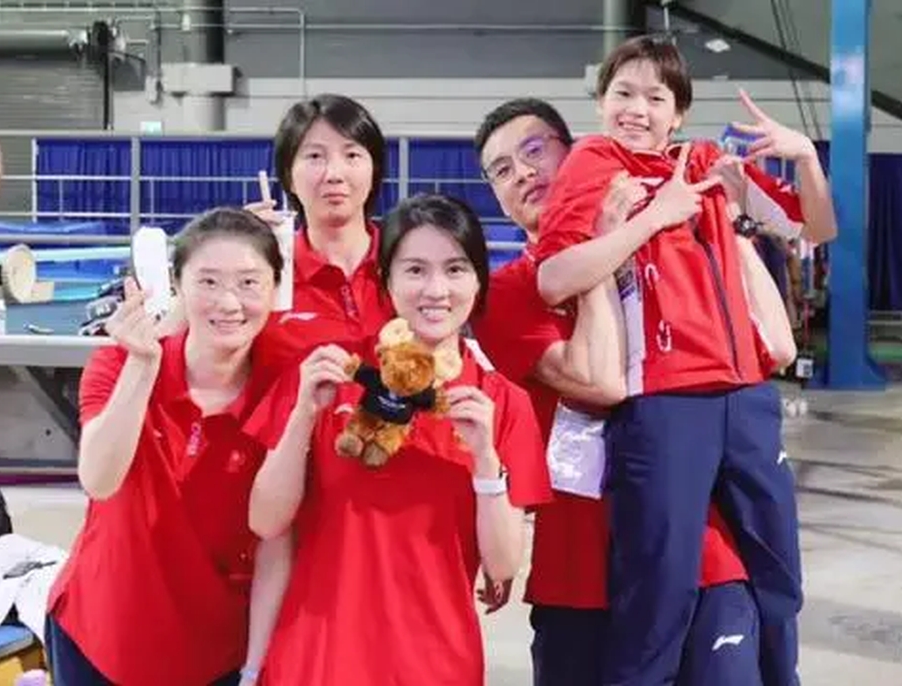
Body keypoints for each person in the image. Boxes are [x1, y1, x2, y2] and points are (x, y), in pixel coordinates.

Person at [533, 35, 837, 686]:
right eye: (623, 93)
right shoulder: (593, 164)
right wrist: (644, 221)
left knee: (778, 572)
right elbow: (553, 277)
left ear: (679, 114)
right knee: (659, 588)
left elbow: (815, 228)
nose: (636, 109)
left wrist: (807, 157)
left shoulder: (707, 165)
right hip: (664, 404)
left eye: (656, 97)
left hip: (748, 399)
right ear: (601, 102)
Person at [472, 98, 792, 686]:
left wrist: (725, 226)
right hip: (579, 570)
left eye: (536, 150)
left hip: (701, 553)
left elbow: (778, 347)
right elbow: (601, 384)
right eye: (501, 170)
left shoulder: (667, 247)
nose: (523, 173)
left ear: (579, 157)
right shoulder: (507, 294)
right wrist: (605, 243)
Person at [244, 193, 554, 685]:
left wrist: (485, 460)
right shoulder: (332, 373)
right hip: (318, 658)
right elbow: (265, 521)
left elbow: (501, 563)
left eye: (455, 269)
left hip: (436, 664)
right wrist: (303, 416)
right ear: (386, 280)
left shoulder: (500, 403)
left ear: (478, 280)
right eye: (415, 270)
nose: (436, 290)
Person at [44, 208, 291, 686]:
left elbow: (276, 543)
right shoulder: (118, 365)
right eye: (208, 282)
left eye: (248, 283)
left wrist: (254, 669)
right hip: (100, 637)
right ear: (177, 284)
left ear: (275, 287)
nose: (229, 302)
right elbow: (99, 480)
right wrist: (142, 364)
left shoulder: (284, 387)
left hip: (212, 653)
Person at [248, 93, 398, 372]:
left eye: (352, 155)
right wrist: (230, 259)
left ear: (374, 170)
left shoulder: (407, 264)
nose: (334, 174)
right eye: (315, 156)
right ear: (289, 176)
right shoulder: (265, 273)